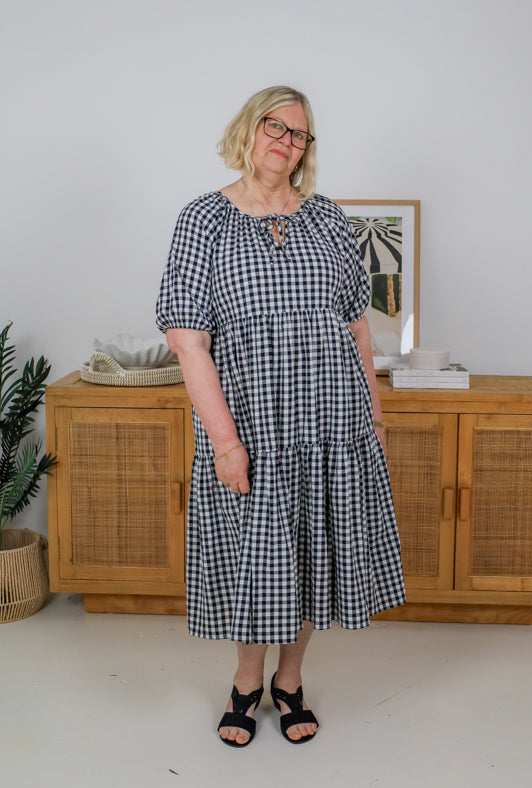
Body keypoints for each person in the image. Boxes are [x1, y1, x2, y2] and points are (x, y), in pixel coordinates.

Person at [156, 85, 405, 747]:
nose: (286, 142)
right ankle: (245, 681)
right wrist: (225, 442)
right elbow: (188, 340)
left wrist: (374, 419)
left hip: (331, 425)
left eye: (300, 134)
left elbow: (357, 329)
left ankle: (289, 682)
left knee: (312, 552)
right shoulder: (203, 220)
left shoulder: (326, 218)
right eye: (276, 126)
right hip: (253, 427)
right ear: (250, 129)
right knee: (253, 558)